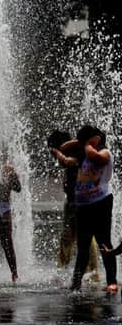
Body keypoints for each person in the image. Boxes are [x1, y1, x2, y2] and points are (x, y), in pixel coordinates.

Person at [57, 125, 117, 292]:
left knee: (104, 242)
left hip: (101, 203)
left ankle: (111, 281)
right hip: (83, 206)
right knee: (83, 246)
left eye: (89, 140)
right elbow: (64, 148)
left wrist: (88, 143)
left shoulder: (104, 152)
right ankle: (76, 284)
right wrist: (82, 141)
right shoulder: (82, 153)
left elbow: (95, 156)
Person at [48, 130, 100, 282]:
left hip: (80, 203)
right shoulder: (78, 153)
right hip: (73, 202)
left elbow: (65, 161)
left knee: (83, 238)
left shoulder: (78, 154)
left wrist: (56, 152)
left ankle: (92, 272)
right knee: (69, 237)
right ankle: (64, 270)